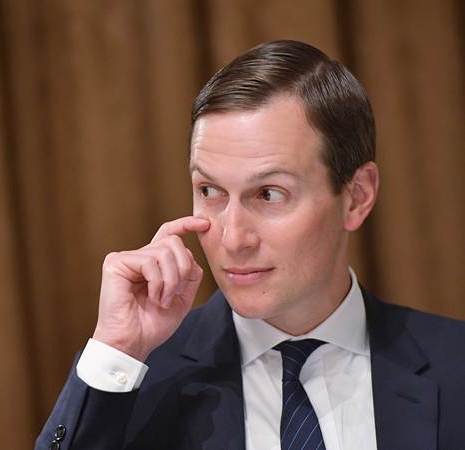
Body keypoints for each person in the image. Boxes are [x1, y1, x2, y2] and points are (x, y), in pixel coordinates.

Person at [35, 40, 465, 450]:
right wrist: (119, 348)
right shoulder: (133, 376)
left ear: (357, 196)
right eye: (209, 191)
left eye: (269, 194)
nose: (232, 238)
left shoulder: (455, 364)